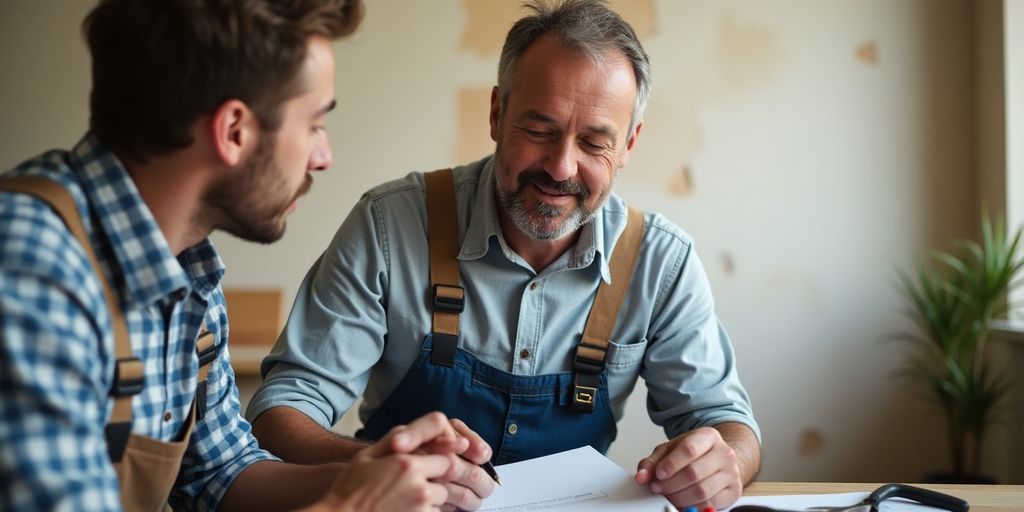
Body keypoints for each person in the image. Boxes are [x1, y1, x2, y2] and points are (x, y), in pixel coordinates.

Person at [248, 0, 762, 509]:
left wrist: (725, 462)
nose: (561, 168)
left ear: (628, 145)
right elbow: (281, 411)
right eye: (540, 131)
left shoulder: (661, 263)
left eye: (593, 143)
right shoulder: (389, 226)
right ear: (497, 114)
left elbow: (727, 425)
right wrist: (375, 469)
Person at [0, 0, 490, 510]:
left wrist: (375, 474)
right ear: (234, 130)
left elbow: (221, 472)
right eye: (314, 125)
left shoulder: (190, 268)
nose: (323, 157)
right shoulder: (30, 266)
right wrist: (353, 506)